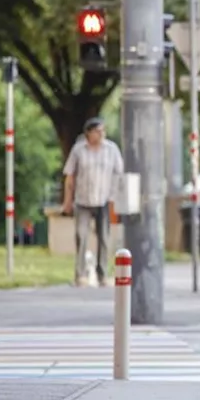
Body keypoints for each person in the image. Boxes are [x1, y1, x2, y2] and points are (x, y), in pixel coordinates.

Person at [62, 117, 124, 287]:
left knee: (104, 237)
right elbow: (70, 176)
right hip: (82, 200)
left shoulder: (112, 149)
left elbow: (119, 175)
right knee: (81, 236)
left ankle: (103, 273)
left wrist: (116, 201)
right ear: (88, 133)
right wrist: (67, 201)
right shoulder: (78, 150)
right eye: (98, 131)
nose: (102, 134)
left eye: (103, 130)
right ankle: (80, 274)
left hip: (104, 199)